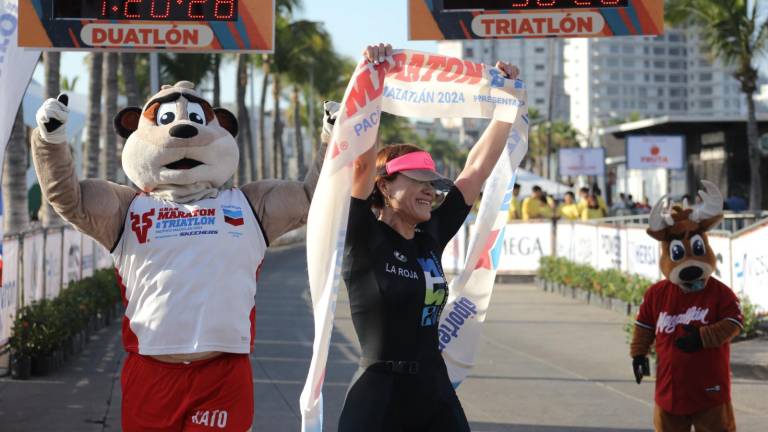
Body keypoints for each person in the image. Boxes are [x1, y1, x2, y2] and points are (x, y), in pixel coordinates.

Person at [32, 84, 337, 431]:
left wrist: (332, 136)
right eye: (164, 120)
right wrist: (51, 141)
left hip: (222, 375)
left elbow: (315, 198)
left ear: (221, 128)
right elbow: (69, 200)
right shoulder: (125, 207)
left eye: (195, 119)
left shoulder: (249, 204)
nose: (183, 130)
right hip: (151, 374)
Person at [338, 42, 520, 432]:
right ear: (385, 186)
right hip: (377, 395)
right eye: (418, 181)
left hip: (432, 389)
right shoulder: (363, 235)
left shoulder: (430, 235)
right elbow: (361, 163)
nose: (431, 191)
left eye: (433, 183)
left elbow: (475, 170)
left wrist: (507, 103)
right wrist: (372, 79)